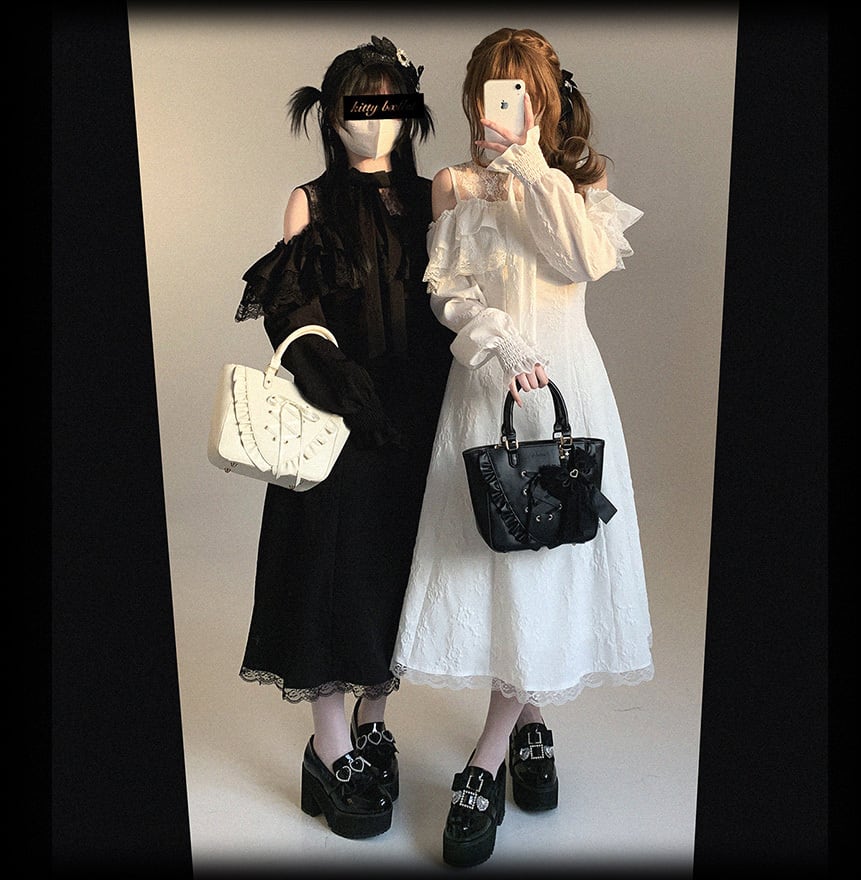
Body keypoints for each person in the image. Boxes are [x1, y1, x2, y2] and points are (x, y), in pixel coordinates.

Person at [390, 27, 654, 867]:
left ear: (541, 99)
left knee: (543, 564)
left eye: (516, 92)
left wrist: (535, 167)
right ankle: (532, 723)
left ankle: (488, 756)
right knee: (502, 560)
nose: (496, 106)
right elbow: (447, 291)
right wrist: (498, 343)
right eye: (488, 91)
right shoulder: (454, 183)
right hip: (489, 388)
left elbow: (582, 262)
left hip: (569, 388)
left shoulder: (578, 180)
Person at [233, 35, 451, 840]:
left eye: (390, 102)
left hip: (419, 414)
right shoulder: (312, 201)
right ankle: (328, 749)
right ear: (331, 116)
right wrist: (344, 387)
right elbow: (293, 310)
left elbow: (459, 296)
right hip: (336, 416)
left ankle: (373, 720)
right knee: (325, 568)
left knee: (396, 568)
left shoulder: (437, 198)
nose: (375, 119)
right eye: (359, 104)